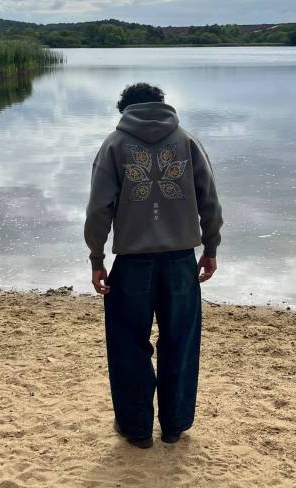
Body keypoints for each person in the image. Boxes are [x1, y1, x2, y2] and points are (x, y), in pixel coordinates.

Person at [84, 82, 223, 449]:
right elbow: (209, 200)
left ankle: (137, 430)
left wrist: (97, 259)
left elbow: (98, 209)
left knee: (128, 345)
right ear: (162, 105)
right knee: (180, 343)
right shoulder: (187, 141)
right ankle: (174, 426)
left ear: (125, 110)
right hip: (180, 262)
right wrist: (210, 248)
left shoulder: (114, 145)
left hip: (131, 263)